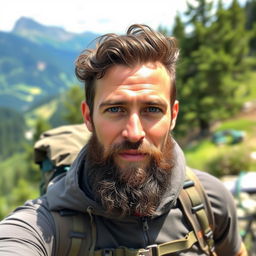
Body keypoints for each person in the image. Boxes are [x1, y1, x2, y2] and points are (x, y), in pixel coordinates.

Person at [0, 24, 247, 256]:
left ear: (173, 116)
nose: (134, 132)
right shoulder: (44, 226)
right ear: (88, 117)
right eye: (116, 109)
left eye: (152, 109)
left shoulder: (209, 201)